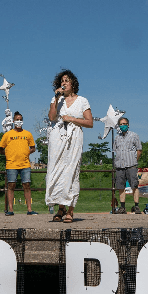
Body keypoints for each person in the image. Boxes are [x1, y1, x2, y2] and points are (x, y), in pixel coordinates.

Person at [45, 69, 93, 223]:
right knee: (57, 171)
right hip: (57, 138)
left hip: (74, 138)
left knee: (71, 172)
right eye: (61, 81)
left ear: (73, 83)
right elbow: (52, 117)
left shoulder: (82, 101)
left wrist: (71, 119)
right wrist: (56, 99)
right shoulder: (56, 99)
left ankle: (70, 209)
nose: (63, 83)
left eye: (66, 80)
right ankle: (60, 208)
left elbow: (89, 122)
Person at [0, 111, 38, 216]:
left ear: (23, 121)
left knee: (27, 185)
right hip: (11, 164)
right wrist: (7, 154)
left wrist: (26, 153)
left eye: (20, 120)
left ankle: (29, 209)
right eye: (17, 119)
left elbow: (33, 148)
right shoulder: (8, 134)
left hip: (25, 164)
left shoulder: (28, 134)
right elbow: (0, 148)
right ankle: (10, 209)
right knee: (11, 185)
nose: (19, 121)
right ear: (13, 121)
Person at [112, 117, 142, 214]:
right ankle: (122, 207)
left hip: (131, 165)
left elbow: (139, 150)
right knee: (121, 186)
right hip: (120, 165)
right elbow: (115, 150)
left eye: (125, 124)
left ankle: (136, 206)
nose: (123, 125)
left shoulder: (134, 135)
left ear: (128, 125)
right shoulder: (117, 137)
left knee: (134, 185)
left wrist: (134, 160)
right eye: (121, 124)